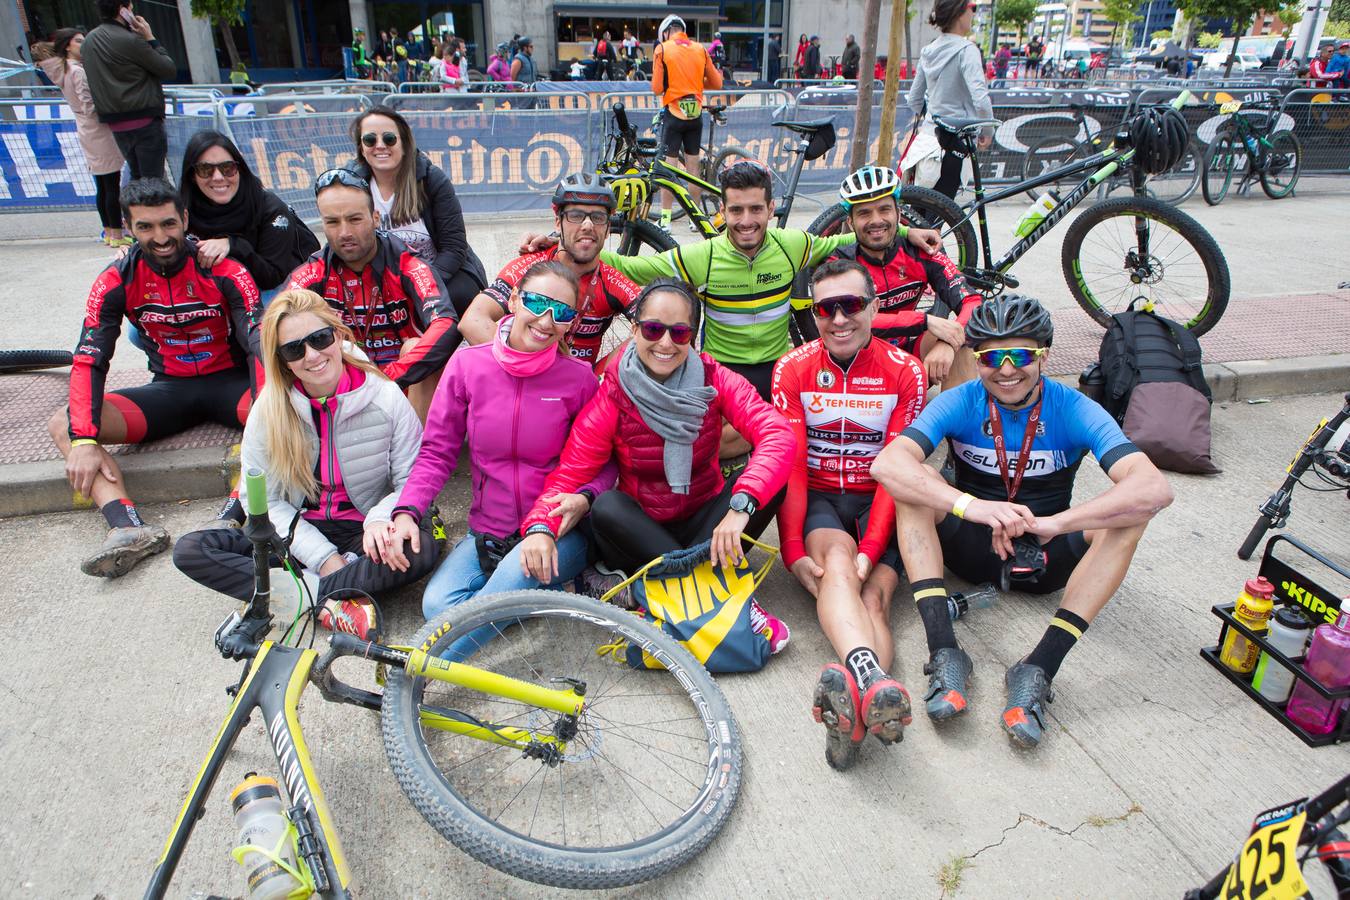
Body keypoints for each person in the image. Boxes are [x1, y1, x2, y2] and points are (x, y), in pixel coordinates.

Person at [871, 294, 1174, 749]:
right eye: (993, 357)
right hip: (969, 546)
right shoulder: (962, 400)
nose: (1007, 369)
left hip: (1045, 553)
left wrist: (1060, 523)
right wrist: (970, 506)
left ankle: (1038, 669)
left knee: (1129, 516)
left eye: (1021, 356)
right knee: (914, 486)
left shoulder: (1072, 407)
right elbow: (888, 466)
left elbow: (1154, 489)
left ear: (1044, 356)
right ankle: (944, 651)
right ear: (977, 360)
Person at [526, 162, 942, 408]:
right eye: (737, 210)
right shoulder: (702, 257)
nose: (747, 220)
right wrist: (559, 243)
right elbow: (627, 264)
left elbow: (854, 235)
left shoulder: (793, 245)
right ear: (722, 210)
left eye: (756, 209)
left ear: (771, 208)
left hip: (780, 369)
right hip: (723, 371)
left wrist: (905, 233)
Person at [520, 280, 794, 638]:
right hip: (641, 535)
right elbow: (571, 473)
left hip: (704, 524)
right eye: (653, 329)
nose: (665, 343)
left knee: (770, 485)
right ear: (634, 330)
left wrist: (741, 507)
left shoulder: (715, 379)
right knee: (607, 506)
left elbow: (777, 432)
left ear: (693, 337)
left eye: (679, 333)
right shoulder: (613, 393)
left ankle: (666, 592)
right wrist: (540, 527)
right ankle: (724, 597)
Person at [172, 290, 435, 639]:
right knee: (192, 550)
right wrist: (325, 559)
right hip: (294, 535)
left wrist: (380, 519)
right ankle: (329, 596)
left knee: (421, 549)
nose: (312, 356)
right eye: (295, 349)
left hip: (363, 532)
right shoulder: (269, 410)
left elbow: (412, 480)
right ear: (283, 360)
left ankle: (289, 595)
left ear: (338, 334)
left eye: (320, 338)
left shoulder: (385, 397)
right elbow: (260, 501)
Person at [48, 177, 260, 578]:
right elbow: (89, 359)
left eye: (168, 224)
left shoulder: (226, 270)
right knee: (65, 424)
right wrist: (85, 438)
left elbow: (258, 346)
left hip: (232, 387)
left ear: (184, 218)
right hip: (169, 392)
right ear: (128, 227)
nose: (160, 237)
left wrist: (269, 410)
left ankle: (232, 518)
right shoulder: (115, 279)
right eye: (146, 227)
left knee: (287, 408)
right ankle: (127, 528)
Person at [390, 261, 612, 625]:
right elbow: (437, 452)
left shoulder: (579, 380)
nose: (545, 320)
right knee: (437, 606)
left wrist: (585, 496)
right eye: (537, 303)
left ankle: (416, 671)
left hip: (555, 529)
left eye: (561, 312)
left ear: (571, 323)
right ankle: (537, 599)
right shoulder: (466, 366)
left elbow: (605, 460)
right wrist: (406, 511)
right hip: (488, 530)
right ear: (513, 300)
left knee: (488, 602)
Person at [775, 259, 929, 770]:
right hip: (818, 497)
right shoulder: (792, 368)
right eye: (826, 308)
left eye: (852, 305)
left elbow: (894, 470)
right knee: (837, 567)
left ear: (875, 307)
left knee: (875, 599)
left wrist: (871, 549)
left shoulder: (905, 371)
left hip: (878, 498)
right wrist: (793, 547)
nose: (839, 318)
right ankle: (873, 682)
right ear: (814, 314)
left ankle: (857, 708)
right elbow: (792, 464)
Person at [285, 168, 459, 420]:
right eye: (332, 222)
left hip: (403, 380)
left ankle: (414, 454)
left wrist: (387, 378)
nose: (344, 232)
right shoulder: (313, 271)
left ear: (375, 218)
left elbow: (445, 323)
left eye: (354, 219)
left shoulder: (407, 263)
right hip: (345, 378)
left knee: (414, 345)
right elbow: (271, 326)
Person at [813, 166, 979, 388]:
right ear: (851, 223)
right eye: (864, 213)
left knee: (960, 340)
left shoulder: (920, 251)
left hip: (907, 355)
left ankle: (958, 423)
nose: (876, 220)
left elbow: (973, 303)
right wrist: (924, 321)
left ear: (899, 214)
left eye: (884, 210)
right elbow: (849, 321)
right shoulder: (839, 263)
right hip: (855, 362)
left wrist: (950, 343)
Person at [462, 175, 637, 368]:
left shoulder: (612, 281)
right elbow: (472, 320)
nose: (588, 225)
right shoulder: (530, 265)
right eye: (576, 216)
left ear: (607, 228)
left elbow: (659, 327)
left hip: (580, 387)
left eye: (598, 218)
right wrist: (521, 368)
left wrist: (597, 376)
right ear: (557, 222)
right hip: (522, 378)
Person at [344, 106, 486, 318]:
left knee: (458, 295)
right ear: (361, 147)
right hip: (383, 276)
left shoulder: (432, 180)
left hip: (439, 271)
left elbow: (453, 248)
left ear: (404, 143)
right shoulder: (351, 186)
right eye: (370, 140)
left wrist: (419, 286)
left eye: (390, 138)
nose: (380, 145)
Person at [179, 131, 320, 302]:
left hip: (280, 287)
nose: (218, 177)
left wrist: (234, 245)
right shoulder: (182, 209)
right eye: (205, 169)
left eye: (227, 168)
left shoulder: (270, 208)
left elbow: (272, 278)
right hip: (215, 290)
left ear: (239, 169)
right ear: (192, 176)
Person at [32, 28, 127, 247]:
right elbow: (89, 105)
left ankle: (109, 232)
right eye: (78, 41)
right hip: (98, 131)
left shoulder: (64, 70)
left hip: (87, 130)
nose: (83, 45)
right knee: (110, 185)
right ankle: (118, 235)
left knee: (103, 185)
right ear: (67, 45)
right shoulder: (77, 71)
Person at [907, 0, 994, 199]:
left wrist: (933, 114)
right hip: (954, 144)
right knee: (938, 220)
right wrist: (987, 131)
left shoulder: (928, 51)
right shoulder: (966, 50)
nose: (973, 13)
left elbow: (914, 99)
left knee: (921, 218)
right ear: (959, 13)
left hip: (926, 144)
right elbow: (981, 100)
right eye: (972, 8)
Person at [79, 0, 175, 181]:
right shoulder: (131, 40)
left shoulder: (89, 41)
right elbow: (168, 69)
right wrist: (150, 37)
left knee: (137, 178)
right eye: (131, 9)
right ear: (123, 11)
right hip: (144, 118)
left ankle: (139, 208)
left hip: (116, 123)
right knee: (153, 181)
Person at [651, 15, 723, 227]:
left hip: (673, 115)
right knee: (694, 168)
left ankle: (665, 220)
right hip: (696, 116)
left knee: (668, 168)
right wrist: (694, 85)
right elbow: (717, 83)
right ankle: (696, 218)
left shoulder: (662, 49)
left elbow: (656, 88)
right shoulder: (700, 49)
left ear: (665, 33)